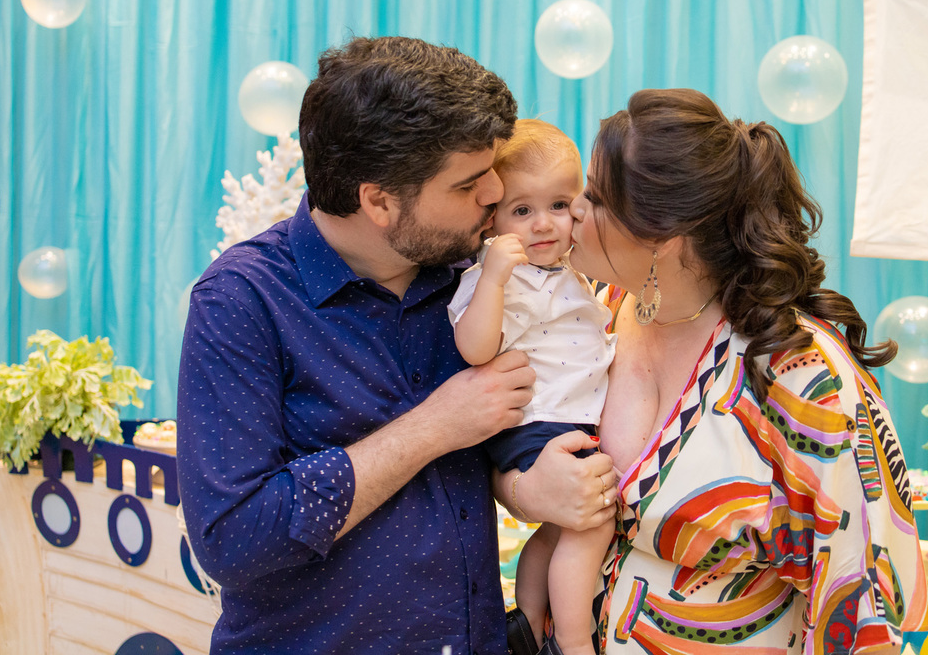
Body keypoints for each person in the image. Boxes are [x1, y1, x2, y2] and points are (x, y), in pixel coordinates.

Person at [176, 36, 617, 655]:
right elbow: (233, 538)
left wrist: (523, 488)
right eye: (469, 185)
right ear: (379, 201)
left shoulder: (482, 270)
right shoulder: (244, 300)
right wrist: (433, 427)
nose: (495, 194)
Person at [565, 88, 928, 654]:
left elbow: (864, 597)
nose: (572, 211)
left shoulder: (801, 371)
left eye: (593, 198)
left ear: (661, 236)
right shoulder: (598, 311)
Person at [448, 120, 616, 655]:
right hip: (537, 422)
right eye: (522, 210)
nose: (543, 224)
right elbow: (475, 349)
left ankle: (529, 621)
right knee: (592, 524)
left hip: (562, 418)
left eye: (560, 205)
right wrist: (494, 279)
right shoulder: (497, 277)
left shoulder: (572, 271)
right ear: (492, 217)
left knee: (559, 530)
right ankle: (573, 640)